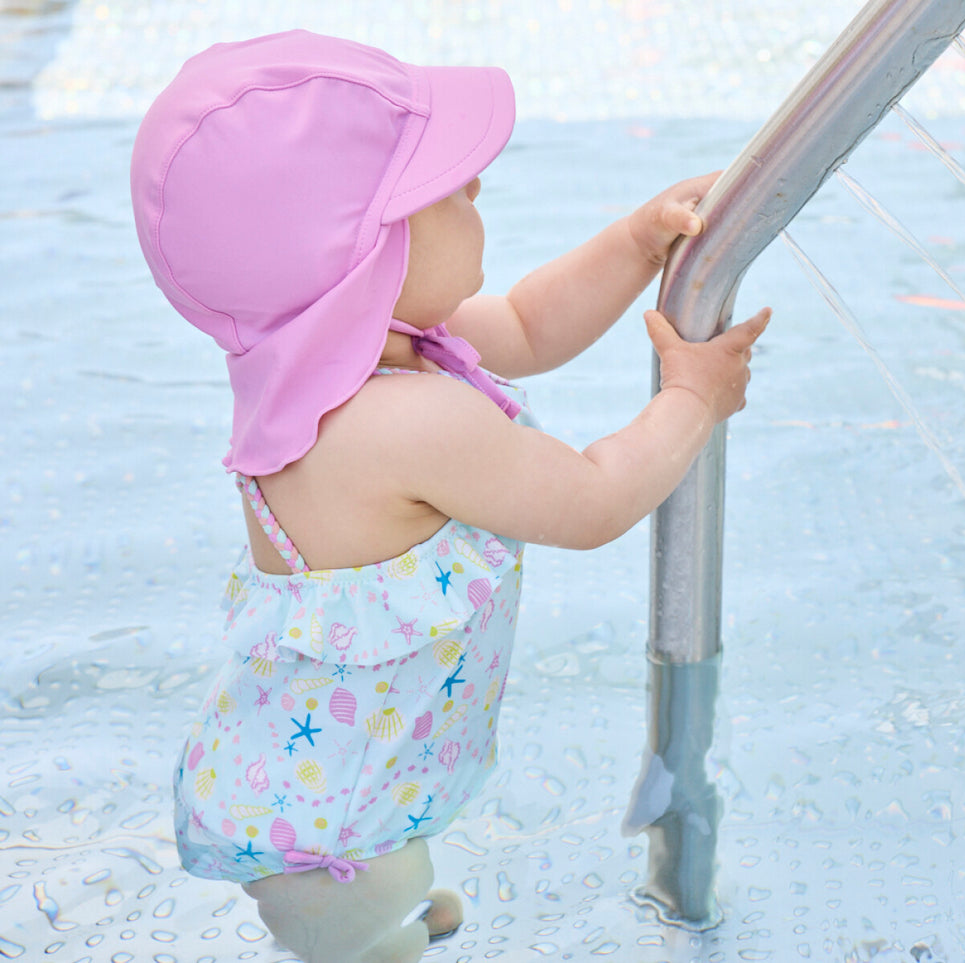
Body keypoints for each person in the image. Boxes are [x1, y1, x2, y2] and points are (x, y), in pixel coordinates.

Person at [130, 29, 768, 963]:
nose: (476, 191)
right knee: (370, 941)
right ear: (363, 253)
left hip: (311, 782)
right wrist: (693, 398)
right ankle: (370, 930)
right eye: (447, 188)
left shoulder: (354, 356)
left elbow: (527, 323)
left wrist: (636, 242)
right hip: (336, 834)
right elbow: (591, 501)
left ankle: (383, 916)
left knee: (386, 902)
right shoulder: (401, 424)